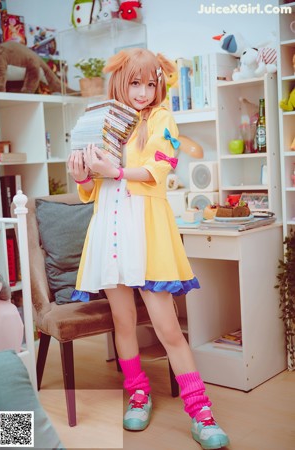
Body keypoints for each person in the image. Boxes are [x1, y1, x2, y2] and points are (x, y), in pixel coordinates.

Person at [67, 48, 230, 450]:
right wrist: (82, 176)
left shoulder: (160, 118)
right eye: (135, 82)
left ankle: (200, 412)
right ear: (120, 82)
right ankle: (138, 392)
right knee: (124, 323)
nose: (142, 92)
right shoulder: (101, 119)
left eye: (150, 83)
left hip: (147, 233)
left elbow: (159, 170)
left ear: (159, 85)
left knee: (168, 328)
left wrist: (117, 170)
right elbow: (90, 192)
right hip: (109, 229)